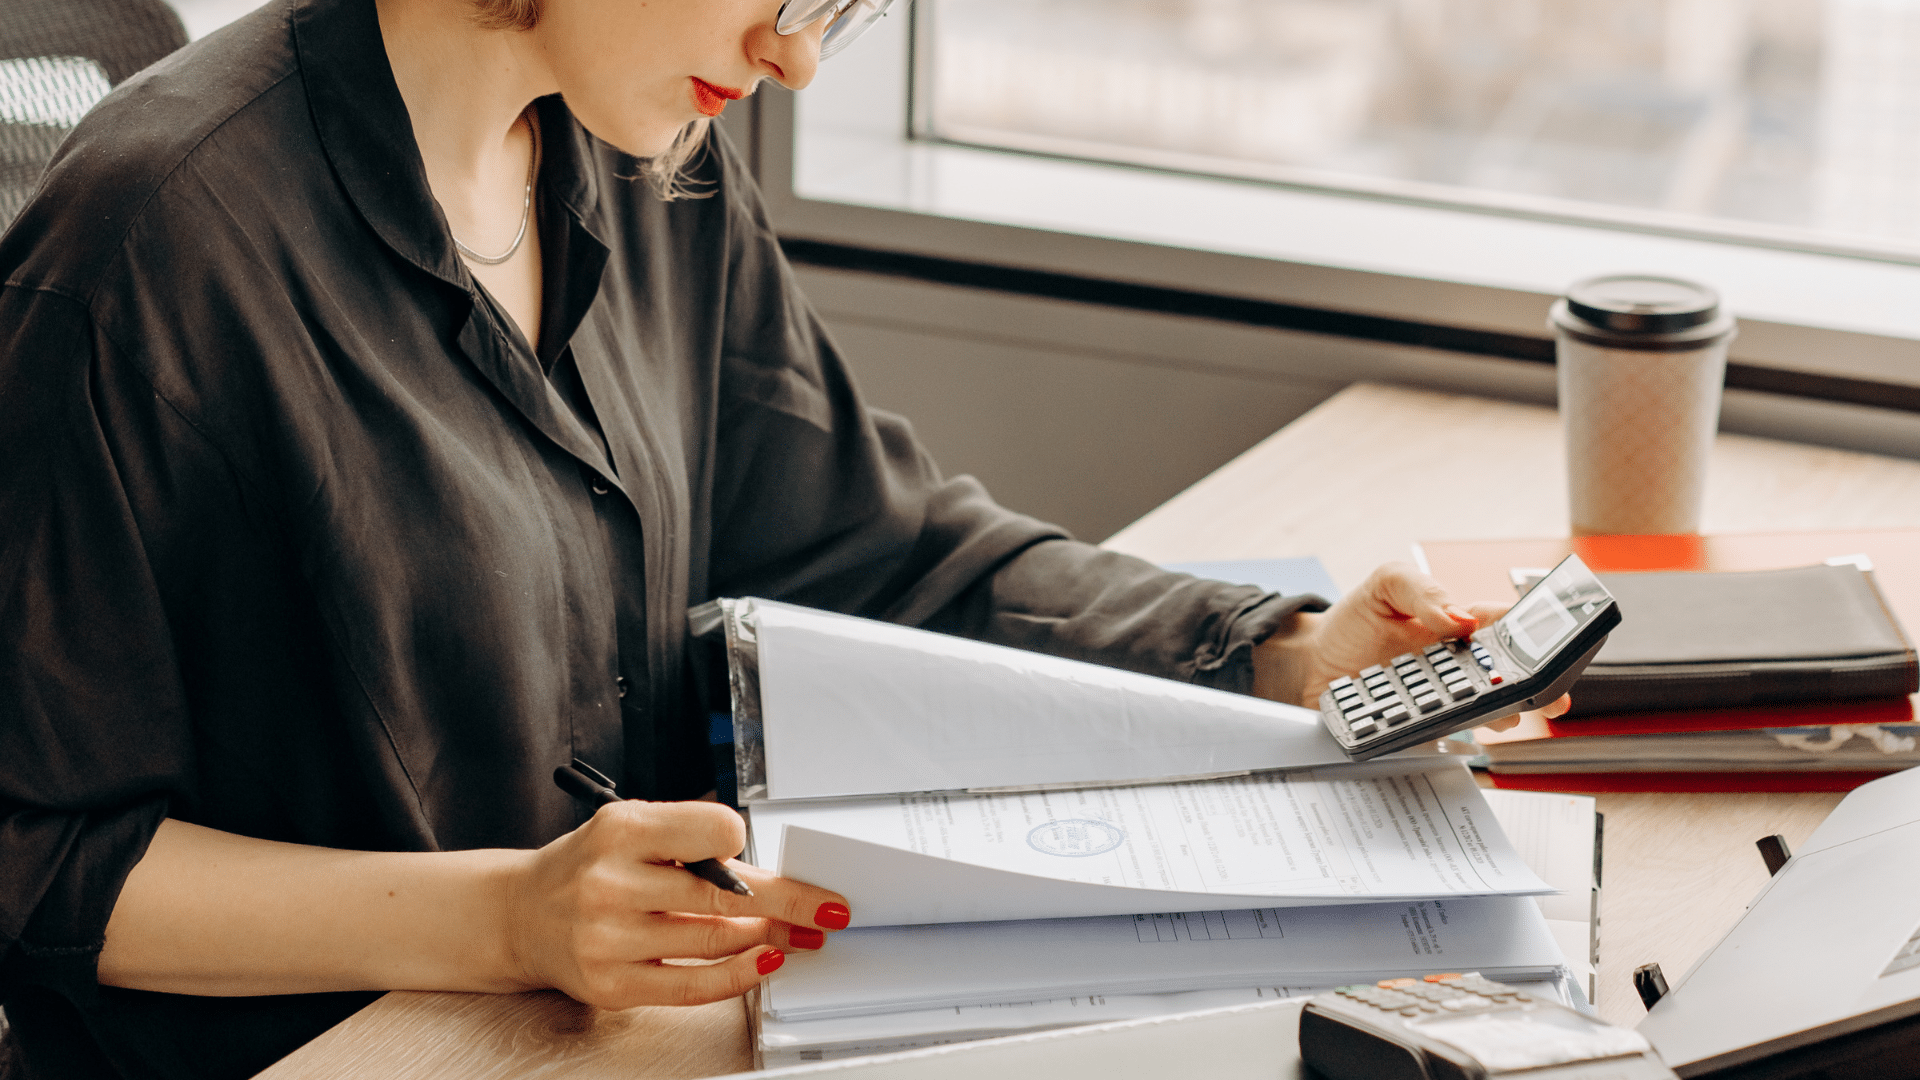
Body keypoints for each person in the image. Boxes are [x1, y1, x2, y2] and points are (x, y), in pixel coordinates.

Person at [0, 0, 1563, 1077]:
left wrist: (1271, 651)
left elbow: (874, 544)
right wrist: (510, 919)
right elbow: (38, 856)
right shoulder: (150, 250)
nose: (797, 58)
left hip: (631, 1035)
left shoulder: (635, 148)